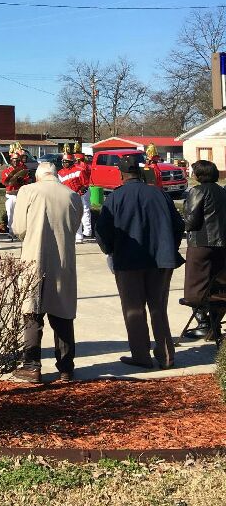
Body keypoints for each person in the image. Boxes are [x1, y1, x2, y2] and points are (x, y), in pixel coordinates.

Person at [96, 154, 185, 369]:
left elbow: (102, 231)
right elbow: (178, 225)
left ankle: (141, 355)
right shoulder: (159, 194)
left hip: (128, 260)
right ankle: (165, 356)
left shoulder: (115, 198)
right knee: (158, 308)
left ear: (121, 174)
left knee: (133, 309)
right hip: (161, 259)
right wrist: (169, 248)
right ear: (140, 172)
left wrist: (110, 251)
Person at [10, 161, 83, 382]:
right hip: (63, 260)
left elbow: (18, 228)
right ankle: (66, 367)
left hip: (35, 257)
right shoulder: (72, 196)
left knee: (32, 311)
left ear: (38, 176)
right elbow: (76, 225)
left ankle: (32, 366)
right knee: (63, 313)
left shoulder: (28, 191)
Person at [182, 160, 226, 342]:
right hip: (222, 244)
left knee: (195, 286)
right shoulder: (223, 191)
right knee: (218, 287)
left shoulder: (197, 191)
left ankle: (203, 323)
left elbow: (191, 221)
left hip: (201, 244)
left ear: (199, 175)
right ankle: (214, 325)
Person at [58, 146, 92, 242]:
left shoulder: (79, 170)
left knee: (80, 213)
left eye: (67, 162)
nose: (65, 164)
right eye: (64, 162)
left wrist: (79, 193)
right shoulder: (60, 173)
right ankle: (70, 234)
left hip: (78, 195)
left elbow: (85, 184)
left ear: (72, 162)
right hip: (67, 197)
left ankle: (80, 235)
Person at [1, 143, 31, 235]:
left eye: (17, 160)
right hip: (10, 195)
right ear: (11, 160)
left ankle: (20, 230)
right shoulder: (6, 171)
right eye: (14, 160)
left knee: (21, 213)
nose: (15, 162)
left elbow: (26, 181)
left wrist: (22, 180)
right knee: (10, 213)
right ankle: (10, 230)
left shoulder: (22, 169)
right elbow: (4, 182)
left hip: (19, 194)